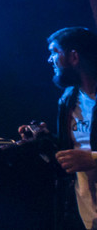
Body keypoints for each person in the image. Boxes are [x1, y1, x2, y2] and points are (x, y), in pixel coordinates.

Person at [44, 26, 97, 228]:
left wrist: (93, 158)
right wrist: (44, 138)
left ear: (74, 57)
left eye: (54, 52)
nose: (50, 60)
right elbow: (75, 148)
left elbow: (89, 155)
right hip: (87, 213)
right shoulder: (68, 99)